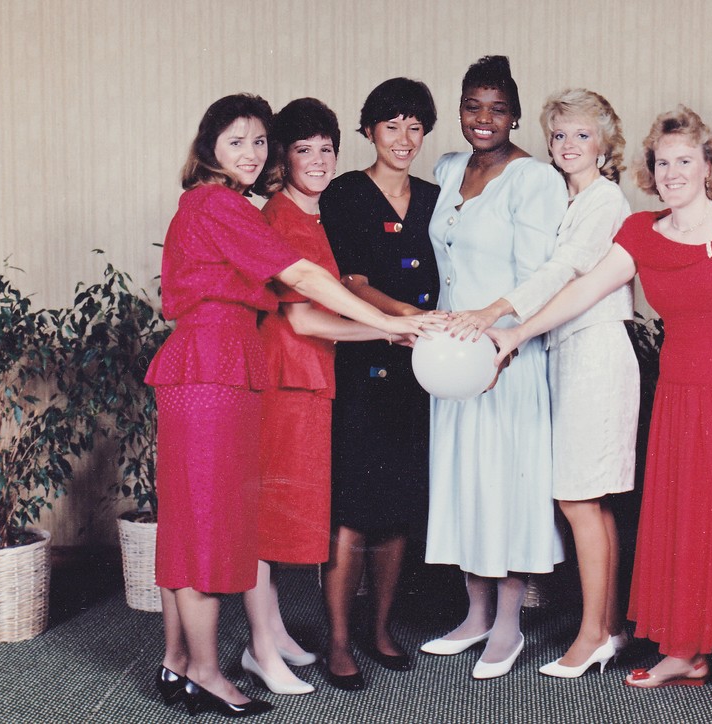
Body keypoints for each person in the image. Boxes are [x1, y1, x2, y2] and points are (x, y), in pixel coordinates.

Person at [489, 105, 712, 706]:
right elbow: (584, 290)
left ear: (709, 166)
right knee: (686, 522)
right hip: (681, 396)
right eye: (662, 163)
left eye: (685, 161)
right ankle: (685, 651)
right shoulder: (641, 233)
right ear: (650, 171)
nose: (672, 173)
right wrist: (516, 333)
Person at [145, 94, 433, 717]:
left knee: (190, 522)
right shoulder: (219, 205)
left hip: (210, 363)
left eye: (258, 142)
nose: (251, 154)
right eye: (236, 142)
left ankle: (177, 661)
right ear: (209, 149)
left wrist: (385, 323)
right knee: (208, 526)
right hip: (213, 368)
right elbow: (304, 280)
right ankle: (204, 673)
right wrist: (388, 323)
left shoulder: (216, 204)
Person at [451, 88, 638, 677]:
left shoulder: (605, 201)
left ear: (605, 144)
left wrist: (499, 317)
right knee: (589, 500)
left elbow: (562, 271)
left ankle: (591, 638)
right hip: (569, 352)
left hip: (596, 353)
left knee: (579, 499)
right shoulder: (567, 197)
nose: (568, 145)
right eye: (558, 135)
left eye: (582, 134)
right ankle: (610, 628)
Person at [242, 97, 423, 697]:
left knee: (283, 518)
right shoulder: (282, 217)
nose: (318, 161)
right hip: (290, 377)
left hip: (314, 378)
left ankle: (273, 635)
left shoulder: (314, 214)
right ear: (283, 158)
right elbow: (304, 320)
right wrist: (389, 329)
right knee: (269, 521)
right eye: (304, 150)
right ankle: (260, 647)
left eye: (326, 149)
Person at [419, 55, 567, 680]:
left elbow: (542, 277)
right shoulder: (448, 168)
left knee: (506, 486)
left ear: (516, 115)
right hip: (450, 361)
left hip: (507, 356)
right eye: (473, 107)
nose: (484, 119)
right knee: (463, 482)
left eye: (498, 109)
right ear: (459, 110)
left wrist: (501, 338)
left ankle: (508, 625)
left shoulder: (535, 180)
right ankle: (475, 616)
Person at [318, 78, 440, 691]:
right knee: (352, 514)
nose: (404, 138)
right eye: (392, 125)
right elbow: (352, 282)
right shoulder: (345, 193)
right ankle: (339, 641)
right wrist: (407, 318)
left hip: (422, 369)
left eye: (415, 126)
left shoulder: (437, 197)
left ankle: (381, 629)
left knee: (398, 509)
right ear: (369, 130)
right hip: (362, 363)